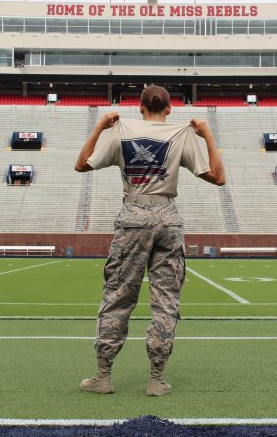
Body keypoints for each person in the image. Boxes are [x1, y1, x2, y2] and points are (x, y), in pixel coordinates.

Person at [74, 84, 225, 396]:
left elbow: (81, 163)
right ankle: (156, 379)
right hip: (168, 218)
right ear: (169, 109)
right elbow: (217, 177)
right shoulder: (181, 134)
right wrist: (207, 135)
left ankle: (103, 375)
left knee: (117, 296)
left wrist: (100, 127)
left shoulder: (119, 133)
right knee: (166, 301)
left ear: (140, 107)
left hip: (132, 218)